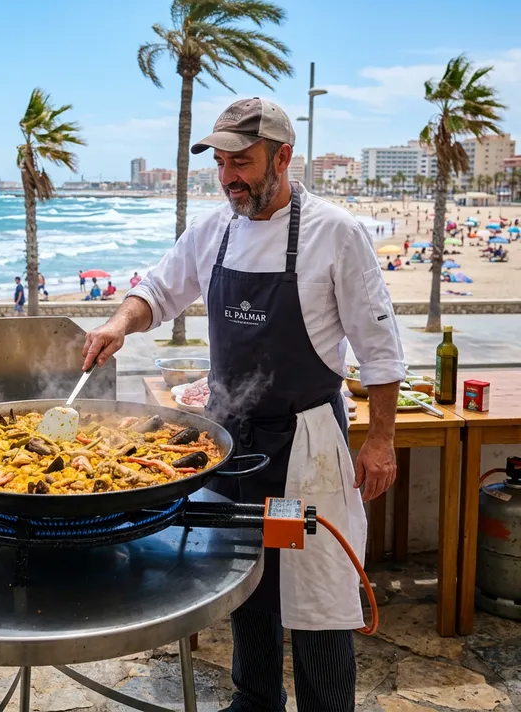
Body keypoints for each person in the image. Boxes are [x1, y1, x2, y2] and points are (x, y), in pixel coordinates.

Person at [81, 97, 403, 712]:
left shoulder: (336, 233)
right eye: (222, 164)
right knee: (246, 583)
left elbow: (379, 347)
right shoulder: (214, 230)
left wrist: (381, 438)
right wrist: (118, 323)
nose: (229, 177)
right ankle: (254, 702)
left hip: (305, 450)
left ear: (283, 157)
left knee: (318, 598)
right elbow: (158, 288)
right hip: (232, 447)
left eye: (243, 163)